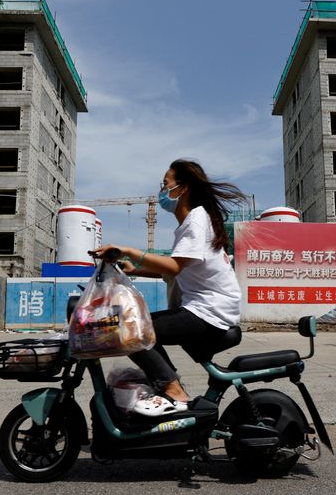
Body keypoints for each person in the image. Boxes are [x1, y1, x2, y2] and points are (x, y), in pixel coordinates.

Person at [91, 159, 246, 417]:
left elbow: (174, 267)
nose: (161, 191)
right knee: (139, 327)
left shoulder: (196, 220)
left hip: (210, 312)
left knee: (133, 330)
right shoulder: (190, 224)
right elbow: (178, 268)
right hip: (204, 309)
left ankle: (173, 390)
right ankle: (168, 386)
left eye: (165, 184)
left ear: (182, 188)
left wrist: (130, 250)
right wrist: (135, 268)